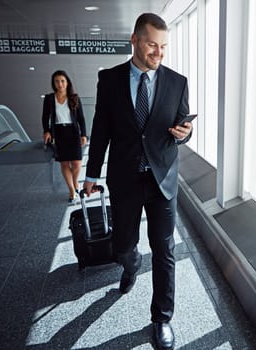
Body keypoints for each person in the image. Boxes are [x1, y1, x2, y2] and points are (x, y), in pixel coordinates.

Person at [83, 13, 193, 350]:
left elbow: (183, 126)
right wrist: (91, 173)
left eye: (163, 47)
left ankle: (161, 319)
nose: (158, 53)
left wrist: (185, 133)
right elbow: (101, 128)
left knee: (165, 250)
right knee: (122, 246)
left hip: (162, 178)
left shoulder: (177, 82)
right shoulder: (110, 79)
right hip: (125, 178)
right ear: (134, 40)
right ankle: (130, 264)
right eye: (151, 45)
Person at [42, 70, 87, 203]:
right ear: (53, 83)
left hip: (73, 132)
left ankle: (75, 182)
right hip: (59, 133)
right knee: (64, 163)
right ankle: (72, 190)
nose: (60, 84)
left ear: (67, 83)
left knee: (77, 163)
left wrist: (83, 134)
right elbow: (45, 117)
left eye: (62, 81)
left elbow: (81, 118)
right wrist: (46, 131)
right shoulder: (50, 98)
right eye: (57, 81)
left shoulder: (74, 98)